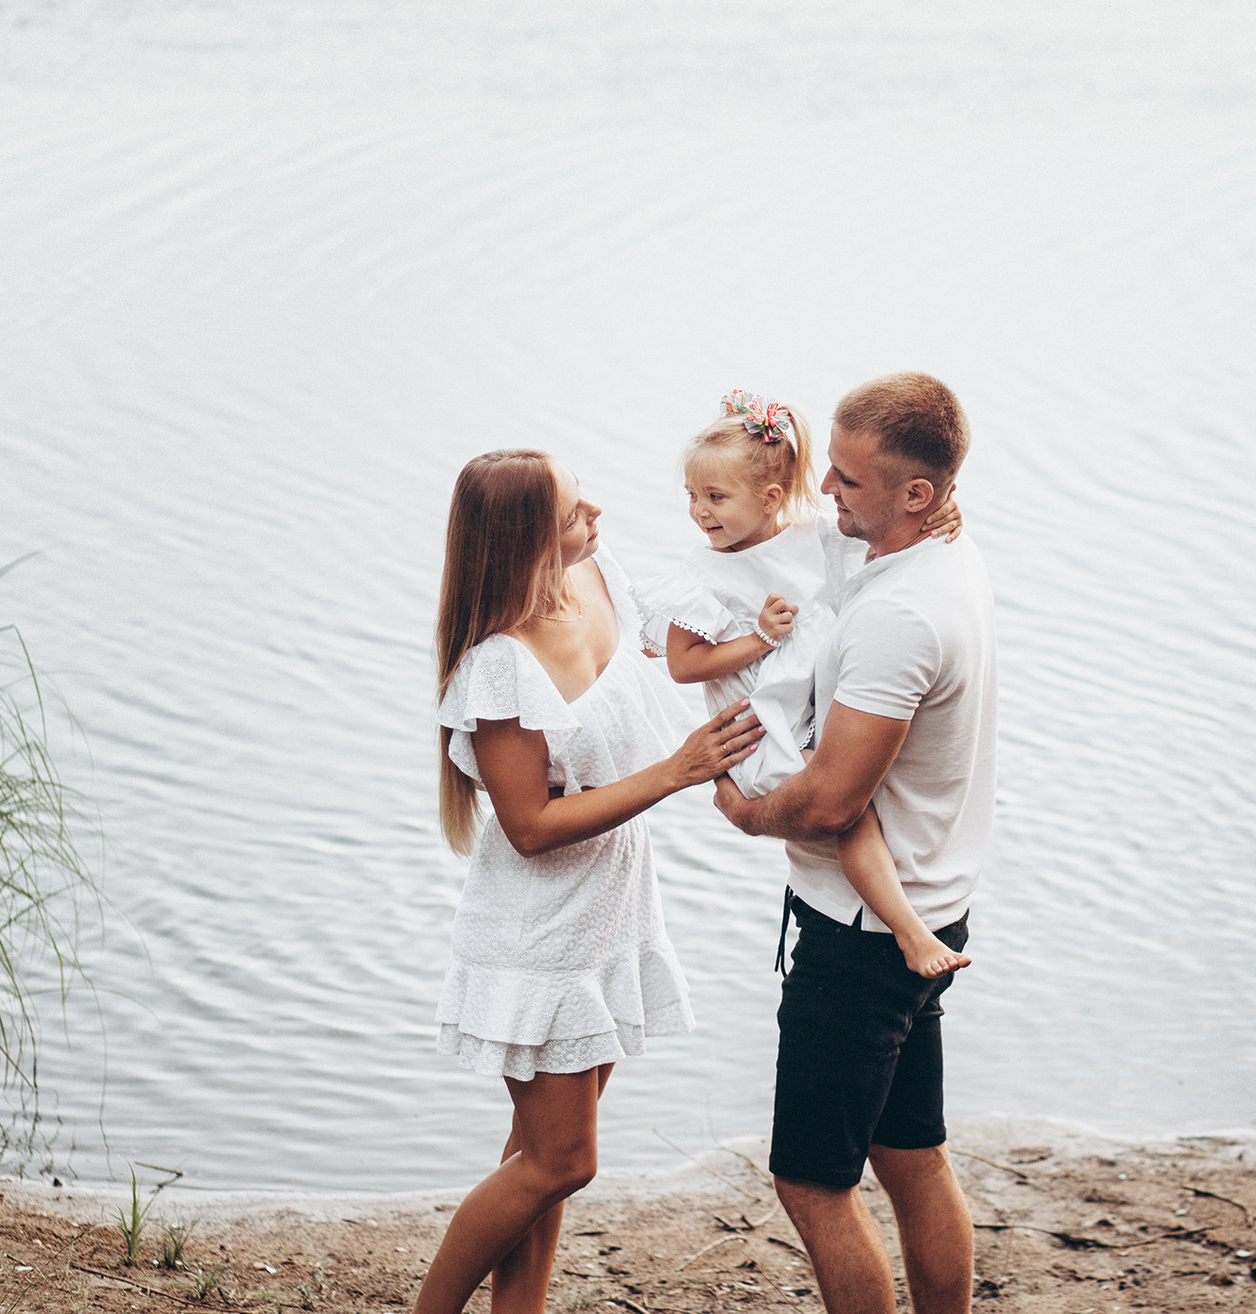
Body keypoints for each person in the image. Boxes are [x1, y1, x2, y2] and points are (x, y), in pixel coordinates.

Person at [414, 449, 763, 1314]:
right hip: (537, 931)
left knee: (538, 1156)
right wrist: (678, 771)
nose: (597, 514)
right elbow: (527, 827)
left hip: (607, 907)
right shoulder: (499, 667)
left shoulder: (597, 575)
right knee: (563, 1160)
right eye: (575, 510)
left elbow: (710, 610)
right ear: (530, 537)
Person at [712, 373, 996, 1314]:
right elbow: (816, 546)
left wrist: (748, 812)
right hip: (929, 905)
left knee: (810, 1178)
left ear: (919, 495)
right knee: (912, 1154)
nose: (826, 494)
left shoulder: (897, 618)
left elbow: (833, 801)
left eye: (847, 481)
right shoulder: (937, 562)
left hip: (860, 932)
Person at [638, 389, 970, 979]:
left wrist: (949, 508)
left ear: (769, 499)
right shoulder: (701, 576)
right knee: (848, 809)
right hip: (759, 728)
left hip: (810, 700)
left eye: (715, 497)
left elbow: (891, 516)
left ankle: (906, 923)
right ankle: (909, 930)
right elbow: (683, 665)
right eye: (691, 496)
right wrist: (758, 642)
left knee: (848, 795)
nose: (699, 512)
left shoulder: (813, 536)